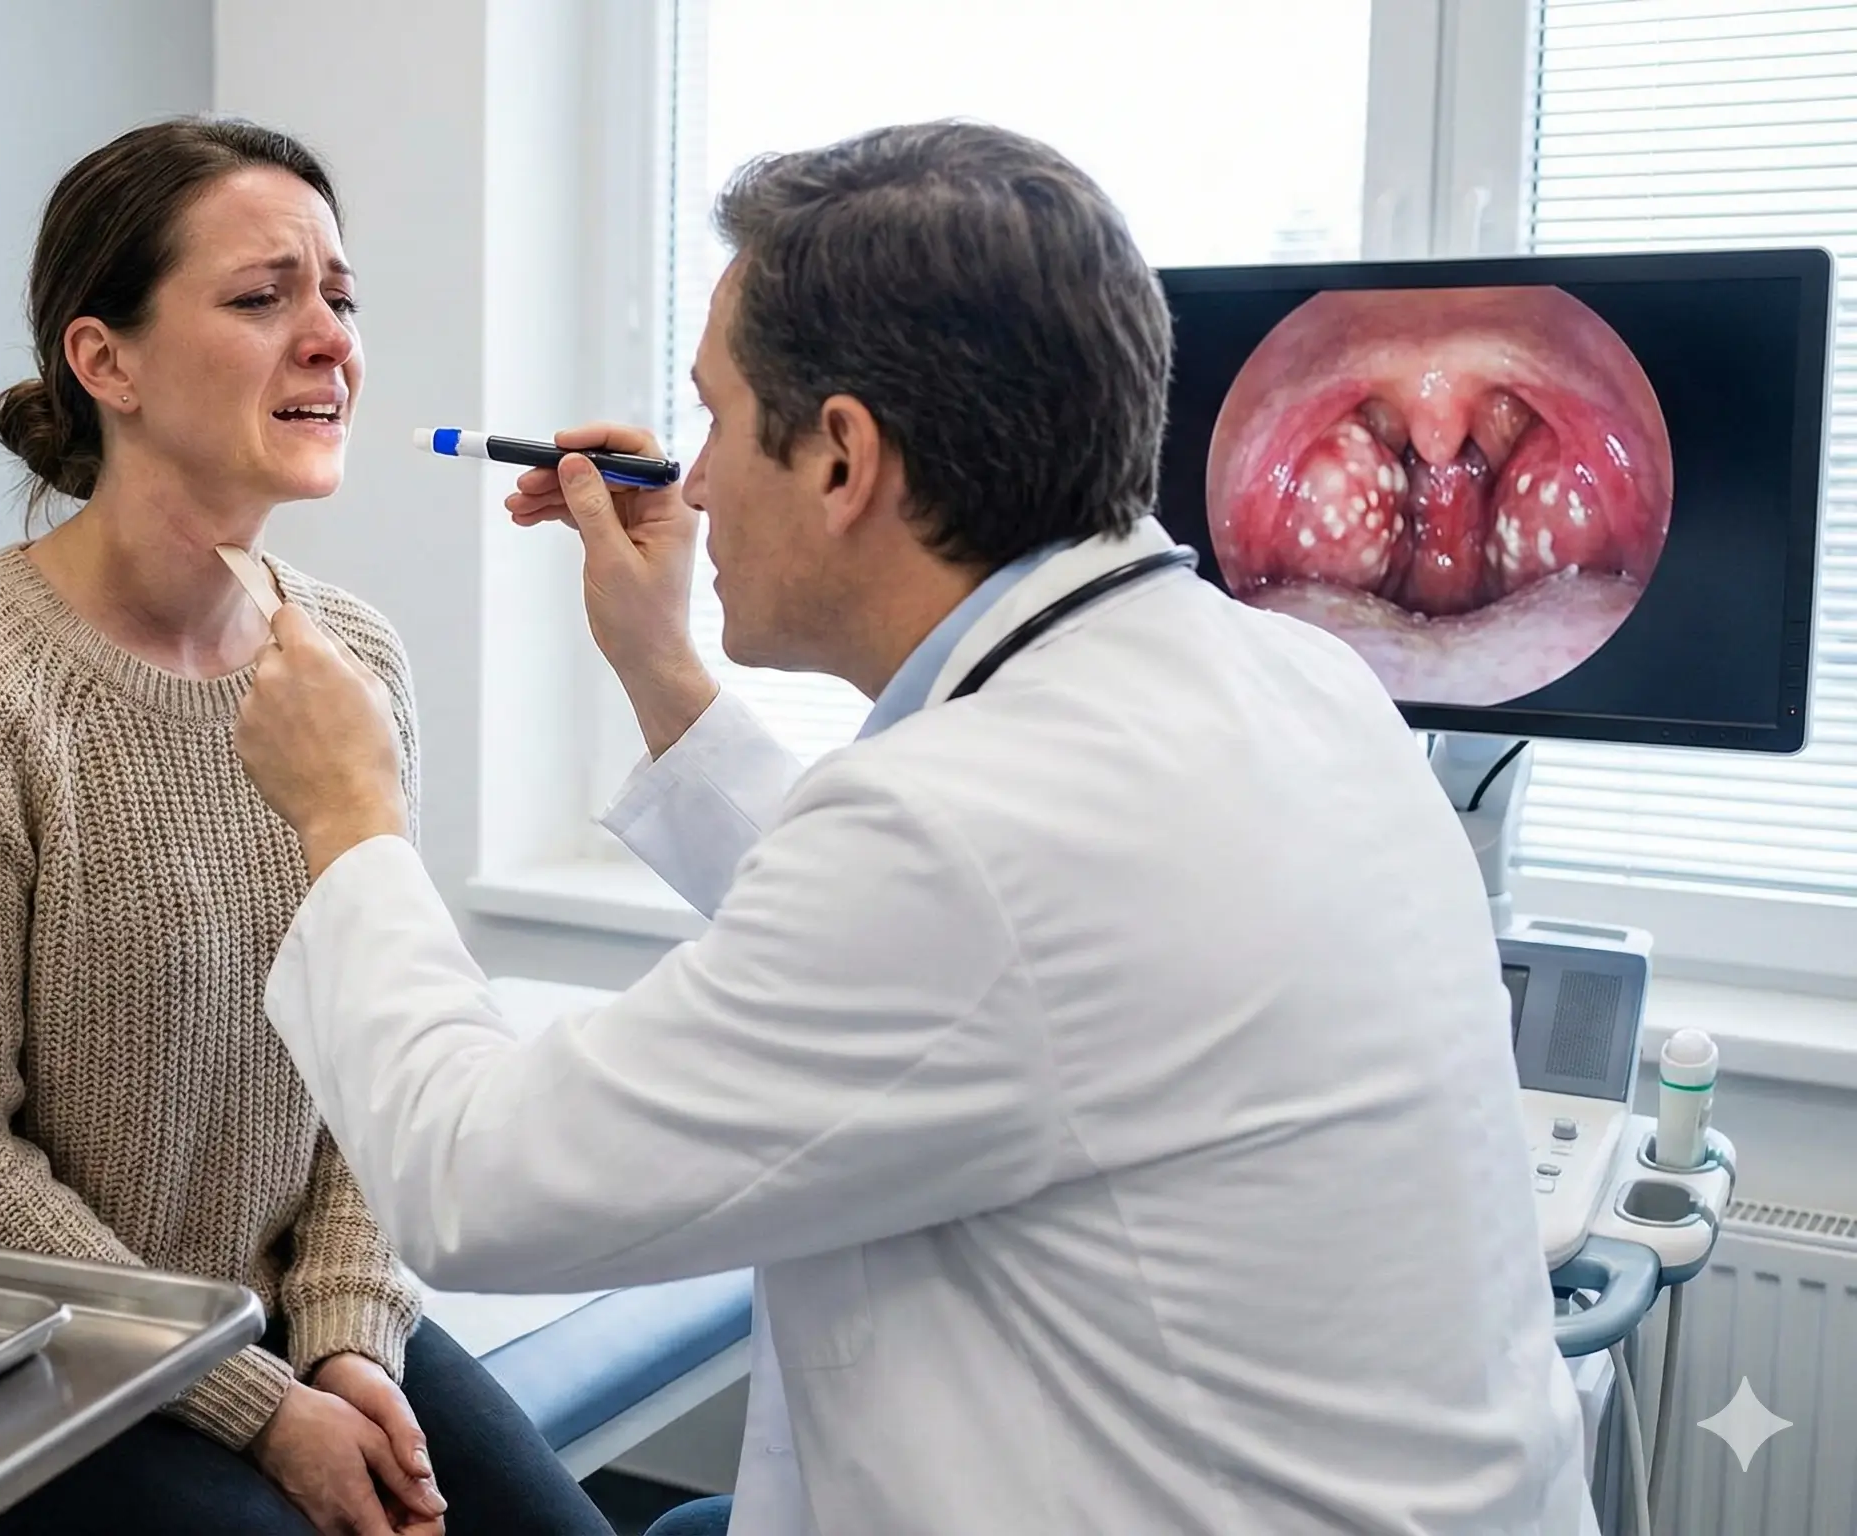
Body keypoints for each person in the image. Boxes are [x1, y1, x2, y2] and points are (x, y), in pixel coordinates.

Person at [233, 121, 1588, 1534]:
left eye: (713, 417)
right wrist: (659, 664)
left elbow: (473, 1182)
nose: (690, 482)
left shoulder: (972, 831)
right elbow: (979, 977)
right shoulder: (1289, 681)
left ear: (841, 459)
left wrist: (352, 816)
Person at [0, 117, 612, 1536]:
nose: (330, 341)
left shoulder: (347, 661)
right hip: (10, 1339)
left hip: (274, 1316)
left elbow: (379, 1053)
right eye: (262, 298)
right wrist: (257, 1403)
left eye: (340, 299)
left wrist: (352, 1337)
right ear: (103, 360)